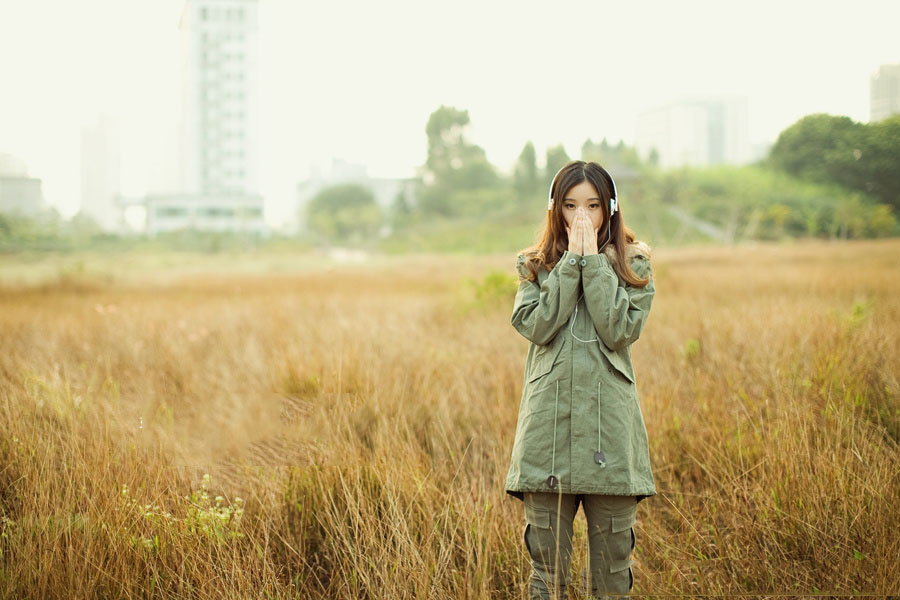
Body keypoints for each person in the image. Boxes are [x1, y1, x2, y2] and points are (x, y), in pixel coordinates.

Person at [505, 160, 656, 599]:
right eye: (571, 206)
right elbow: (536, 325)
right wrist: (572, 261)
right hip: (546, 439)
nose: (582, 217)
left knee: (612, 581)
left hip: (610, 438)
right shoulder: (533, 265)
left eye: (592, 206)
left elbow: (620, 330)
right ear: (556, 209)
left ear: (610, 209)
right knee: (547, 581)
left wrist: (594, 264)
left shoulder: (635, 263)